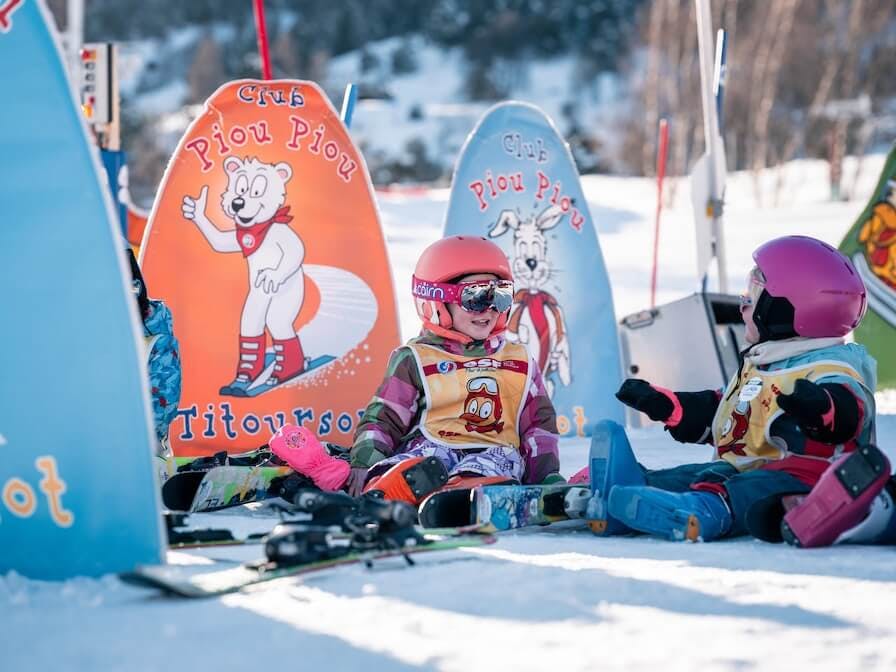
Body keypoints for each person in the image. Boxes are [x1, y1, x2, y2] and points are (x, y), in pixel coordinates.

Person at [585, 235, 877, 542]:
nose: (742, 306)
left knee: (742, 489)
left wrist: (821, 407)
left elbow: (849, 411)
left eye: (753, 295)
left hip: (806, 486)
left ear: (792, 309)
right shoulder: (767, 363)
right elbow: (731, 414)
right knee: (693, 476)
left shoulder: (832, 368)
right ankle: (626, 494)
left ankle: (702, 513)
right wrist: (668, 406)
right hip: (742, 470)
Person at [270, 235, 563, 503]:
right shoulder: (417, 358)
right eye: (474, 297)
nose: (489, 309)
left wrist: (545, 476)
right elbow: (384, 418)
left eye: (499, 295)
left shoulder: (519, 360)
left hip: (495, 449)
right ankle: (386, 491)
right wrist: (365, 462)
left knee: (493, 461)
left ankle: (469, 494)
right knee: (416, 466)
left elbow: (539, 425)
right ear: (436, 301)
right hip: (432, 449)